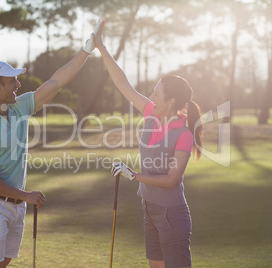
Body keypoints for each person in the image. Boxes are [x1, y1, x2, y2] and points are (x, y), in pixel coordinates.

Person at [0, 22, 100, 268]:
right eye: (12, 81)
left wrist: (87, 50)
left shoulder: (19, 106)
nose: (18, 85)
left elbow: (55, 82)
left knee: (2, 265)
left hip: (17, 207)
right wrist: (25, 195)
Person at [95, 21, 203, 268]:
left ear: (171, 100)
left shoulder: (184, 134)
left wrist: (134, 175)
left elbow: (172, 179)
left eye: (156, 94)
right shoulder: (152, 114)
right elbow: (123, 84)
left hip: (171, 216)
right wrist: (101, 47)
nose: (150, 97)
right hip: (149, 209)